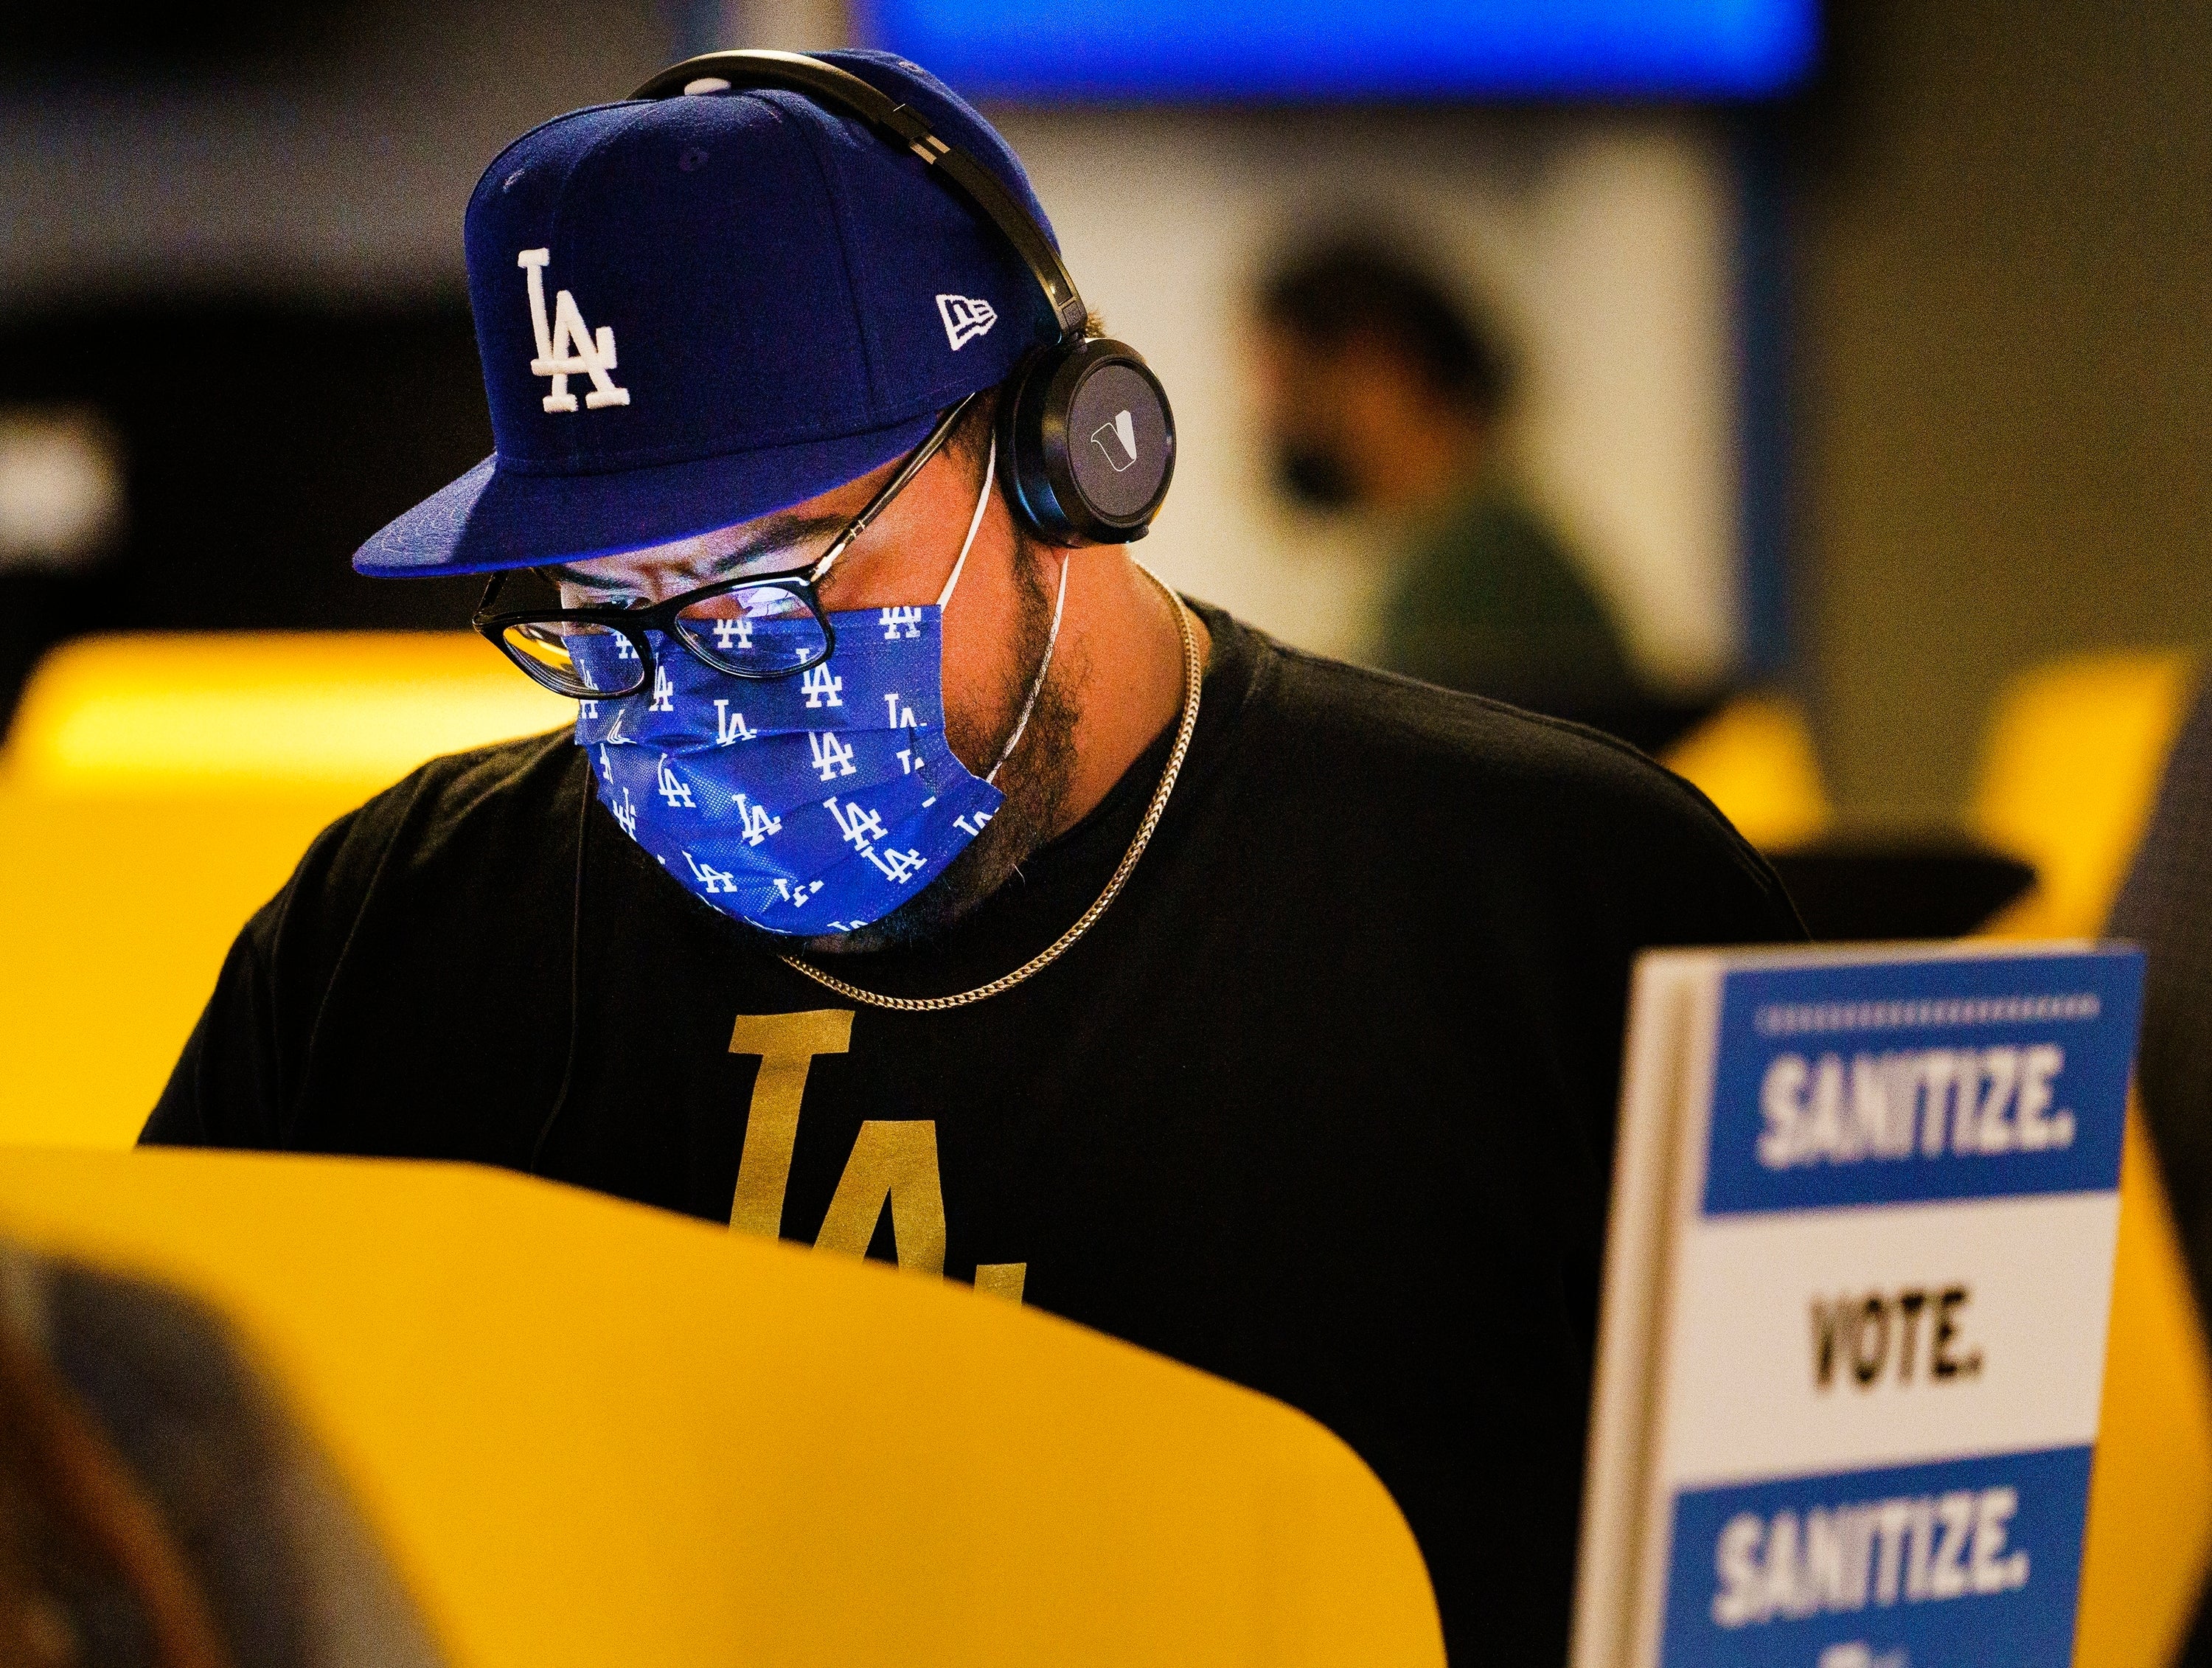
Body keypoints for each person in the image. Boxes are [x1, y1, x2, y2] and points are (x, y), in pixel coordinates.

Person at [142, 49, 1803, 1662]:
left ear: (1065, 459)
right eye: (608, 605)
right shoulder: (399, 942)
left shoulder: (1558, 924)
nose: (696, 688)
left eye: (768, 578)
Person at [1253, 234, 1646, 727]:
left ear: (1379, 371)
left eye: (1288, 384)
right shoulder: (1482, 541)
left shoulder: (1472, 569)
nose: (1274, 423)